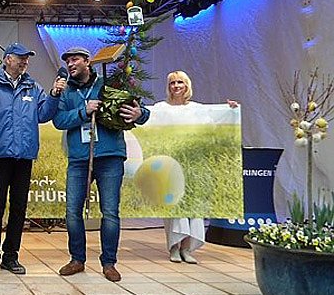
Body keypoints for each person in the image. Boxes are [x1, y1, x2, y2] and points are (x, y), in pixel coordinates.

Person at [52, 46, 149, 282]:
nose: (70, 64)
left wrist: (140, 115)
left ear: (88, 62)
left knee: (110, 212)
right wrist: (83, 112)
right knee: (72, 212)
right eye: (67, 61)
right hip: (79, 159)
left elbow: (139, 109)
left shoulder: (109, 85)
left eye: (75, 60)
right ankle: (77, 259)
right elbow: (59, 121)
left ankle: (109, 263)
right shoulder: (66, 92)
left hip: (109, 157)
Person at [0, 42, 65, 276]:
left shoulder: (33, 87)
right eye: (20, 57)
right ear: (8, 59)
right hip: (0, 156)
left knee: (19, 208)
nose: (25, 61)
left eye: (27, 58)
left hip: (24, 156)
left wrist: (55, 95)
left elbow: (44, 115)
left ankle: (11, 256)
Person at [155, 70, 238, 264]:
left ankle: (187, 248)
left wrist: (231, 109)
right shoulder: (161, 108)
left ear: (187, 85)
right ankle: (174, 247)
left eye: (180, 83)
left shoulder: (198, 109)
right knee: (174, 204)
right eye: (173, 83)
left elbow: (219, 121)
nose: (176, 86)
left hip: (194, 164)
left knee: (193, 205)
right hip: (171, 163)